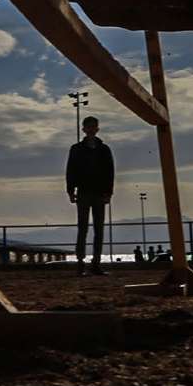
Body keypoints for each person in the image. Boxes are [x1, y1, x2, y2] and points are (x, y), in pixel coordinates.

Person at [66, 115, 115, 276]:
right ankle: (80, 263)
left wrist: (108, 192)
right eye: (89, 126)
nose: (91, 129)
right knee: (83, 228)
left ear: (97, 129)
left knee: (98, 230)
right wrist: (70, 190)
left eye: (94, 126)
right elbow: (71, 170)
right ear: (84, 129)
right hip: (84, 193)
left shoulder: (104, 149)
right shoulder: (76, 149)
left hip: (99, 193)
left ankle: (95, 263)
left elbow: (110, 172)